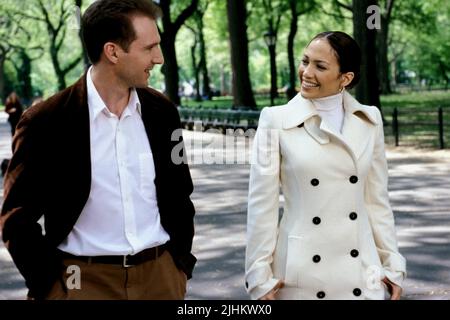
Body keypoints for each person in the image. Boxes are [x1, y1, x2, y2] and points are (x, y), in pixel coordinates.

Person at [0, 0, 196, 300]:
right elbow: (16, 218)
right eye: (149, 48)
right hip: (80, 283)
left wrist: (179, 267)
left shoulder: (162, 113)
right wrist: (51, 285)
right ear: (113, 51)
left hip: (161, 278)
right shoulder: (45, 122)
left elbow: (180, 194)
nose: (159, 59)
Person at [245, 31, 406, 300]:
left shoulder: (370, 120)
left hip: (362, 274)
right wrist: (258, 276)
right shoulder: (275, 120)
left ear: (346, 78)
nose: (306, 72)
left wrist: (393, 264)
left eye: (319, 66)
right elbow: (262, 205)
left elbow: (376, 202)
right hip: (300, 274)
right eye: (305, 61)